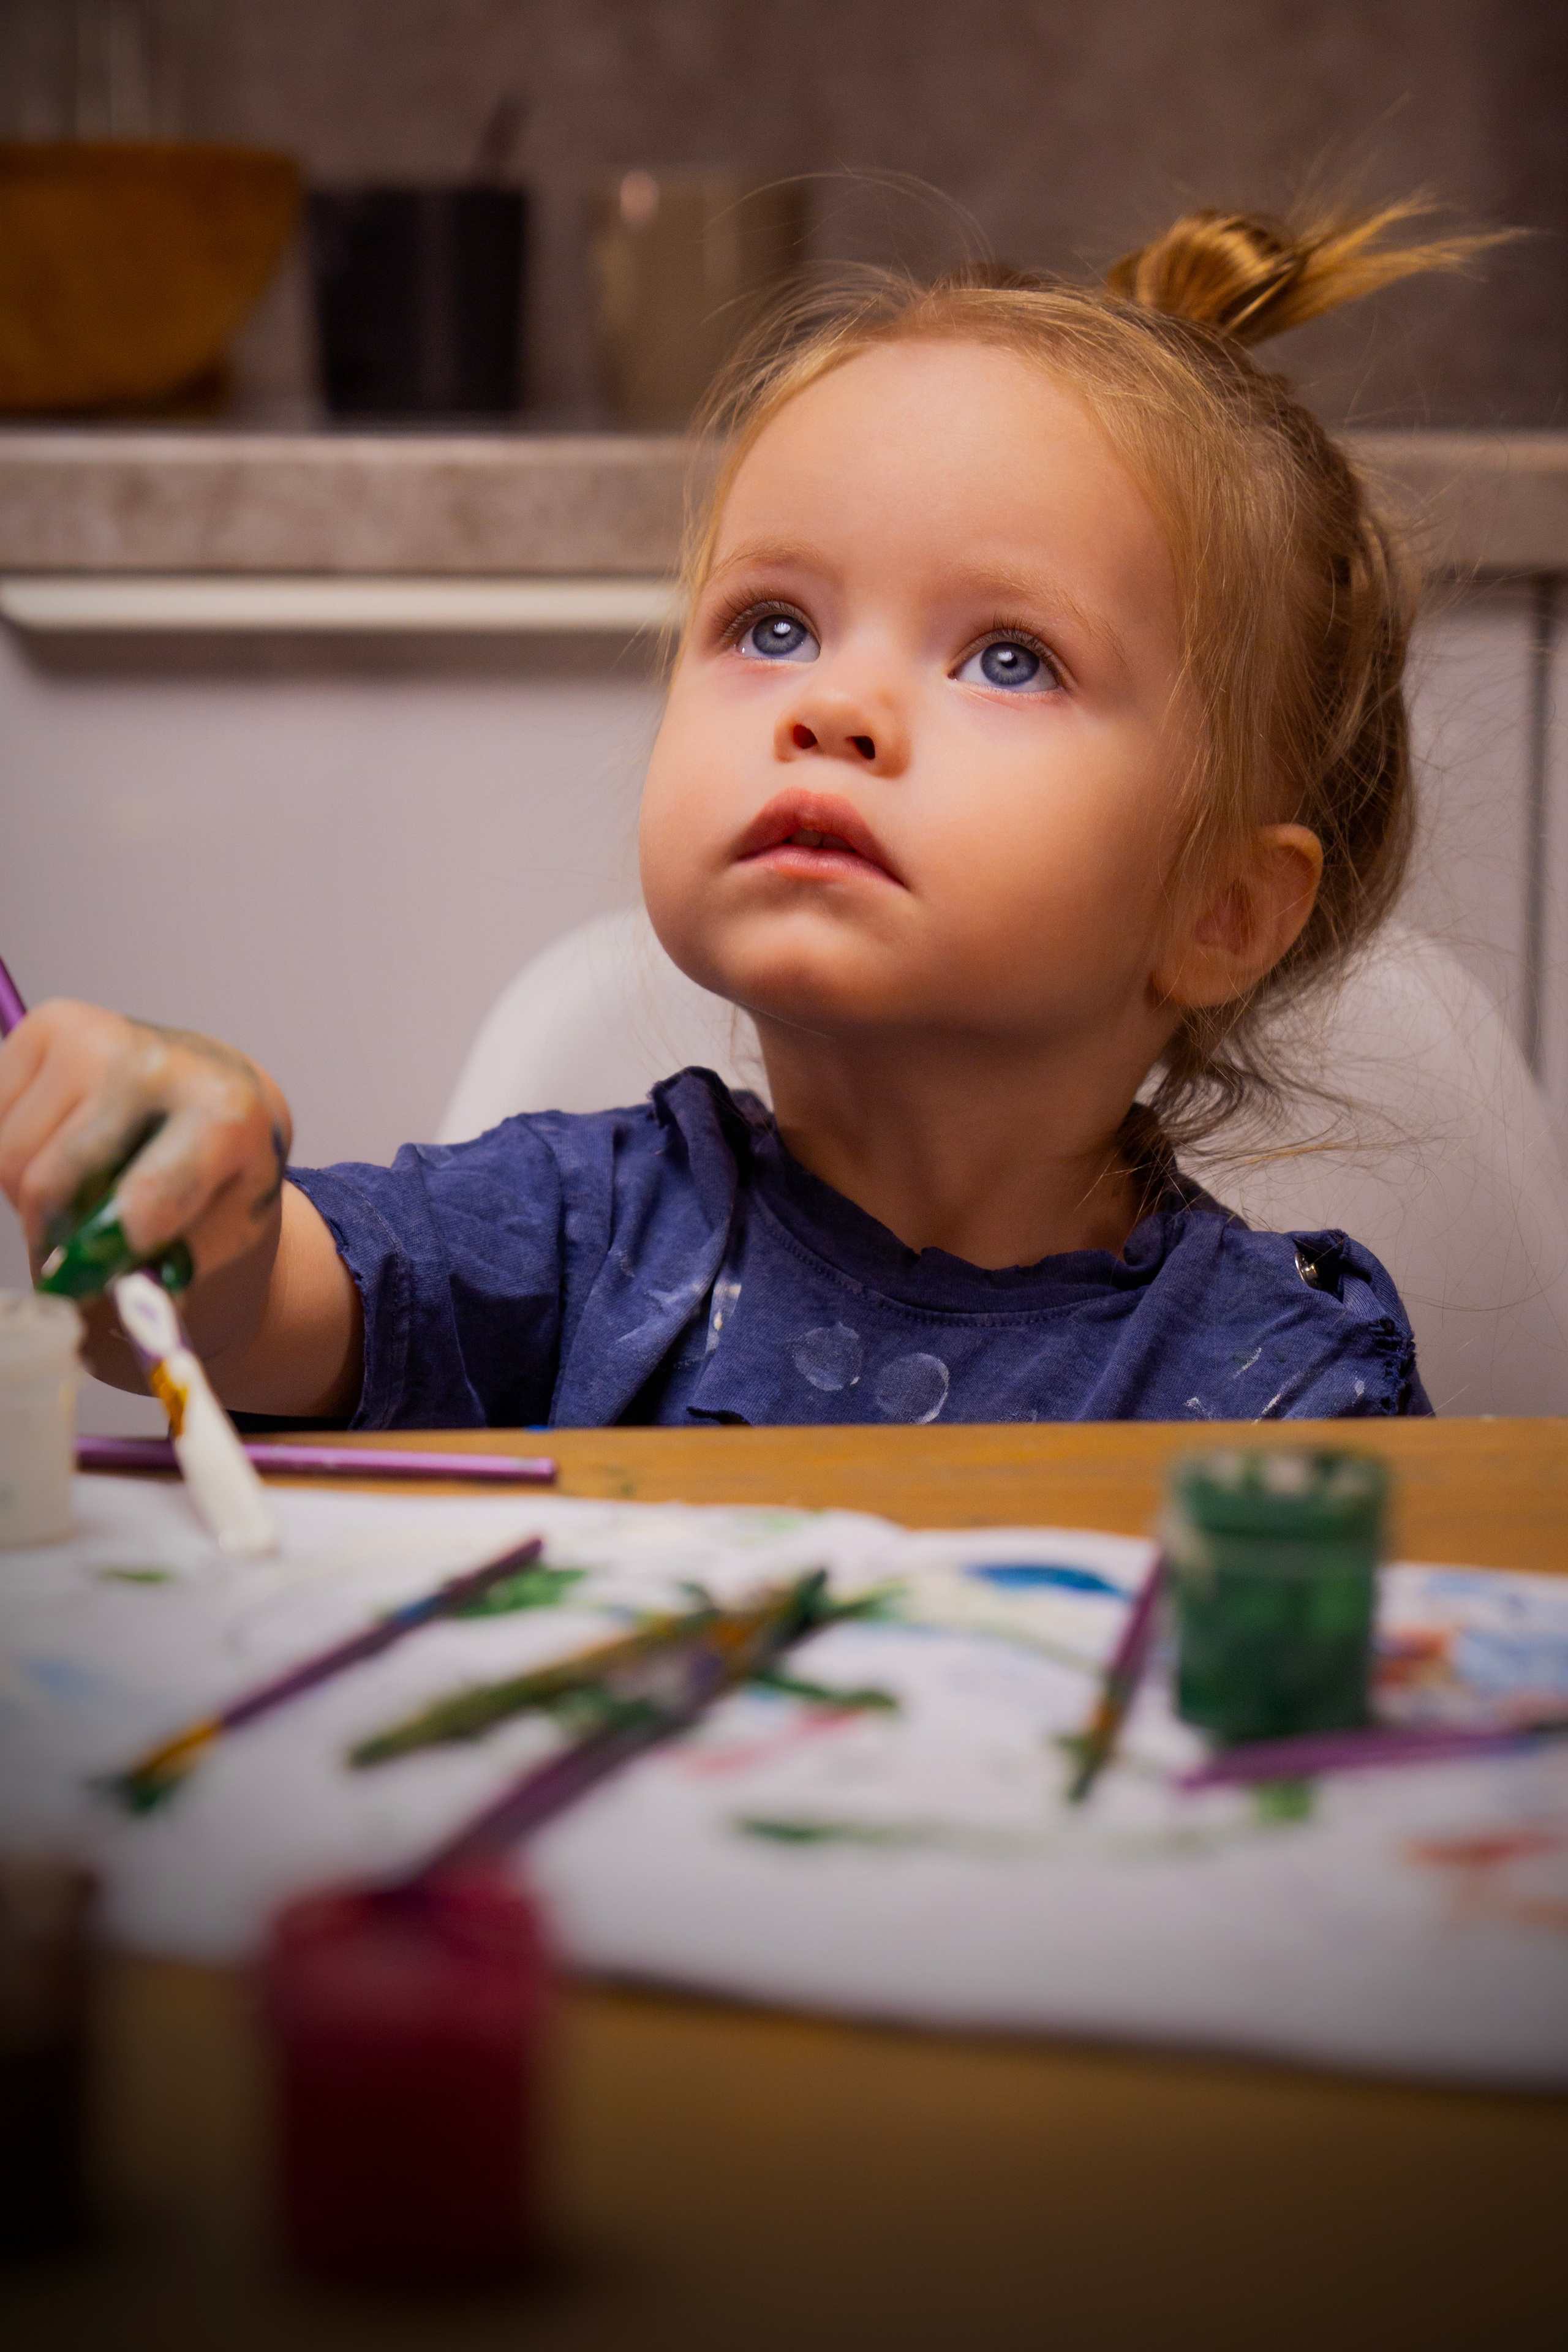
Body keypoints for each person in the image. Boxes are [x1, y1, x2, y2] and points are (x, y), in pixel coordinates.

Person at [0, 200, 1485, 1428]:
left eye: (1008, 658)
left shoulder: (1282, 1389)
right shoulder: (576, 1236)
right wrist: (195, 1207)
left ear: (1218, 910)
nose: (828, 708)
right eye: (773, 626)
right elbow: (237, 1320)